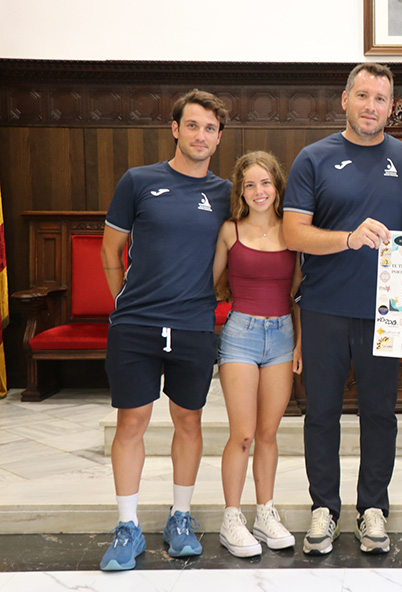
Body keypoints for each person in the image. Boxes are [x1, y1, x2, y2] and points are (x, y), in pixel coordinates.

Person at [283, 63, 402, 556]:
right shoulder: (313, 158)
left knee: (379, 414)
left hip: (389, 311)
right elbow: (292, 233)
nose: (371, 106)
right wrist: (347, 238)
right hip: (324, 308)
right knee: (320, 412)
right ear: (344, 99)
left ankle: (373, 509)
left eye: (381, 99)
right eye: (362, 96)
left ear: (392, 106)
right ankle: (324, 507)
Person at [99, 89, 231, 571]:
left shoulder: (223, 193)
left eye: (210, 128)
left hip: (194, 325)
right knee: (131, 423)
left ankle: (180, 518)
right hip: (135, 324)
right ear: (175, 128)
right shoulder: (138, 181)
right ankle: (128, 526)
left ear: (219, 138)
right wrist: (123, 303)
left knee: (188, 422)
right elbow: (111, 251)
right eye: (192, 125)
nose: (201, 135)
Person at [212, 151, 301, 558]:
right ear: (240, 190)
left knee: (267, 434)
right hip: (241, 333)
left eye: (265, 182)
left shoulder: (293, 232)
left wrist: (299, 342)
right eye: (250, 184)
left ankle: (265, 512)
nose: (258, 191)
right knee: (243, 434)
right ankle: (232, 517)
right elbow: (213, 283)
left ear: (277, 186)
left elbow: (298, 293)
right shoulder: (230, 230)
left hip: (282, 334)